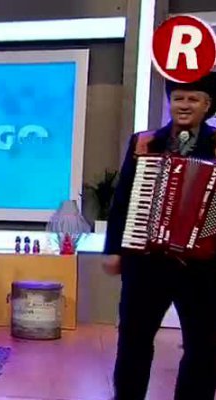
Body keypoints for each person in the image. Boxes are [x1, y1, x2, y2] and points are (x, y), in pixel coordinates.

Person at [102, 71, 216, 400]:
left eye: (193, 99)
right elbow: (123, 198)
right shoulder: (144, 142)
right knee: (133, 341)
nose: (184, 105)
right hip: (146, 262)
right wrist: (114, 248)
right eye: (178, 98)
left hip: (203, 267)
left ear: (207, 105)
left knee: (204, 345)